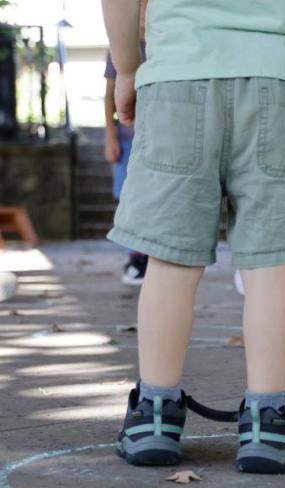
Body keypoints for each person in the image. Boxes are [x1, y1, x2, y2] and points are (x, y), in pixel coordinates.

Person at [101, 0, 285, 474]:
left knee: (170, 259)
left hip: (179, 71)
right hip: (281, 75)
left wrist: (125, 67)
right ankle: (270, 422)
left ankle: (153, 418)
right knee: (271, 260)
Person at [104, 0, 148, 286]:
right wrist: (110, 136)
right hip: (128, 136)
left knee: (151, 199)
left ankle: (147, 256)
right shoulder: (121, 44)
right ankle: (135, 256)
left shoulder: (169, 40)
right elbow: (109, 94)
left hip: (160, 135)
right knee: (129, 198)